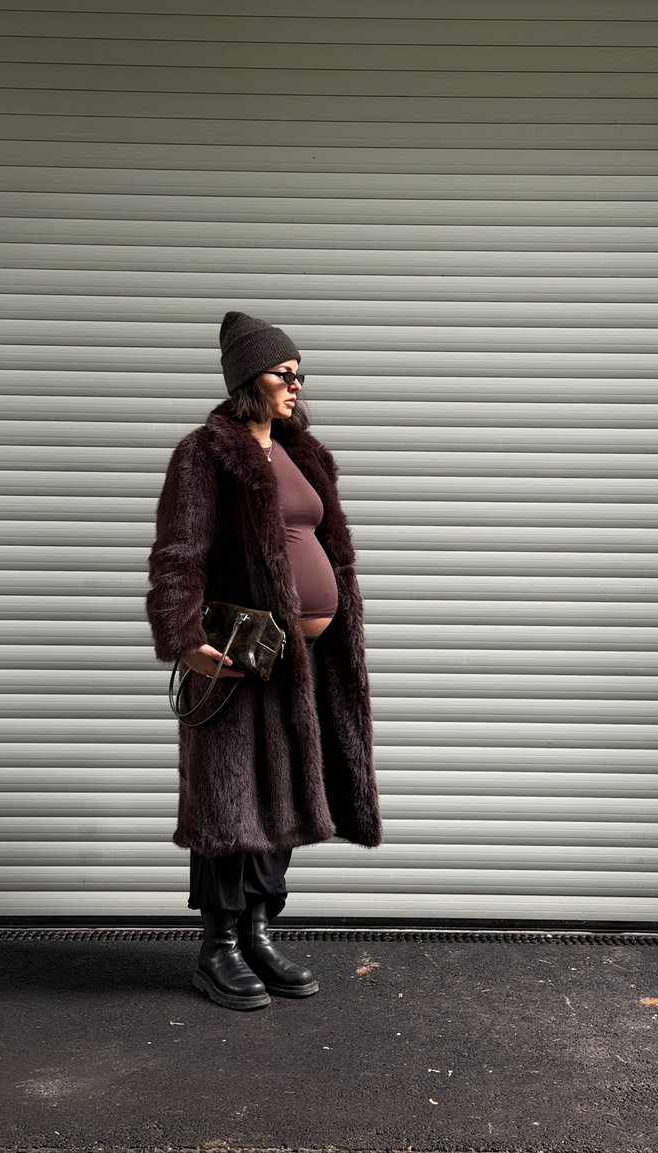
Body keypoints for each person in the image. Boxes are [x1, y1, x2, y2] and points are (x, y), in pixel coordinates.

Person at [145, 311, 381, 1011]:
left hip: (304, 658)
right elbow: (178, 554)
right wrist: (184, 637)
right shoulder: (204, 454)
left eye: (300, 374)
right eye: (285, 373)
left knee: (285, 791)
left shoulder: (303, 454)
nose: (297, 385)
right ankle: (217, 946)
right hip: (236, 656)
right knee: (230, 797)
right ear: (251, 377)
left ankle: (257, 932)